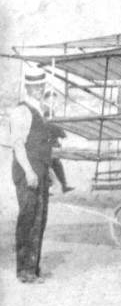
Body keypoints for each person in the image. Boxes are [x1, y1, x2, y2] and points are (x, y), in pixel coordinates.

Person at [10, 70, 53, 283]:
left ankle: (33, 268)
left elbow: (43, 145)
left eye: (42, 86)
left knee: (40, 220)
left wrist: (48, 171)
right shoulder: (22, 111)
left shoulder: (40, 110)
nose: (40, 90)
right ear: (28, 88)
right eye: (36, 87)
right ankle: (24, 271)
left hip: (40, 172)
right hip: (28, 173)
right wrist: (28, 171)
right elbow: (18, 144)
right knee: (28, 219)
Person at [42, 90, 74, 195]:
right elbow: (60, 133)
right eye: (50, 101)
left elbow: (61, 133)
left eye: (54, 102)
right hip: (46, 147)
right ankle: (49, 188)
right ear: (45, 101)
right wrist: (61, 131)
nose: (53, 104)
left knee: (56, 165)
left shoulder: (52, 116)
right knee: (48, 166)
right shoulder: (46, 116)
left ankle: (64, 185)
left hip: (53, 146)